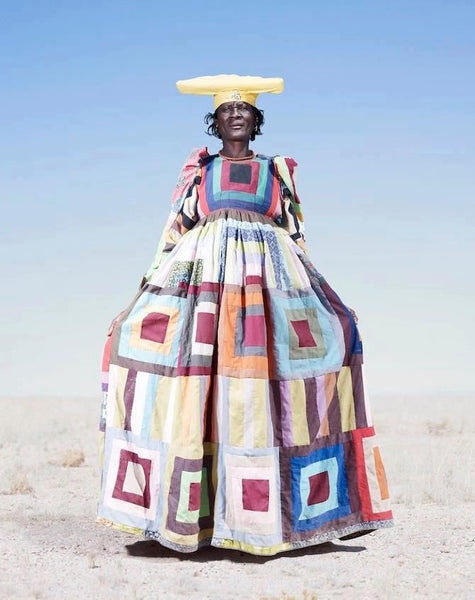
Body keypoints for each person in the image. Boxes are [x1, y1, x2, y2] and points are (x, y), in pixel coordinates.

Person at [97, 75, 393, 556]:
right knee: (200, 388)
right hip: (205, 287)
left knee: (262, 390)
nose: (235, 114)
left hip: (266, 285)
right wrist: (141, 291)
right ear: (213, 122)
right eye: (226, 109)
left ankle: (297, 517)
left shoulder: (277, 172)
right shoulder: (199, 171)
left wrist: (327, 293)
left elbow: (295, 235)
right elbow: (173, 233)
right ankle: (189, 520)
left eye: (244, 109)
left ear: (257, 122)